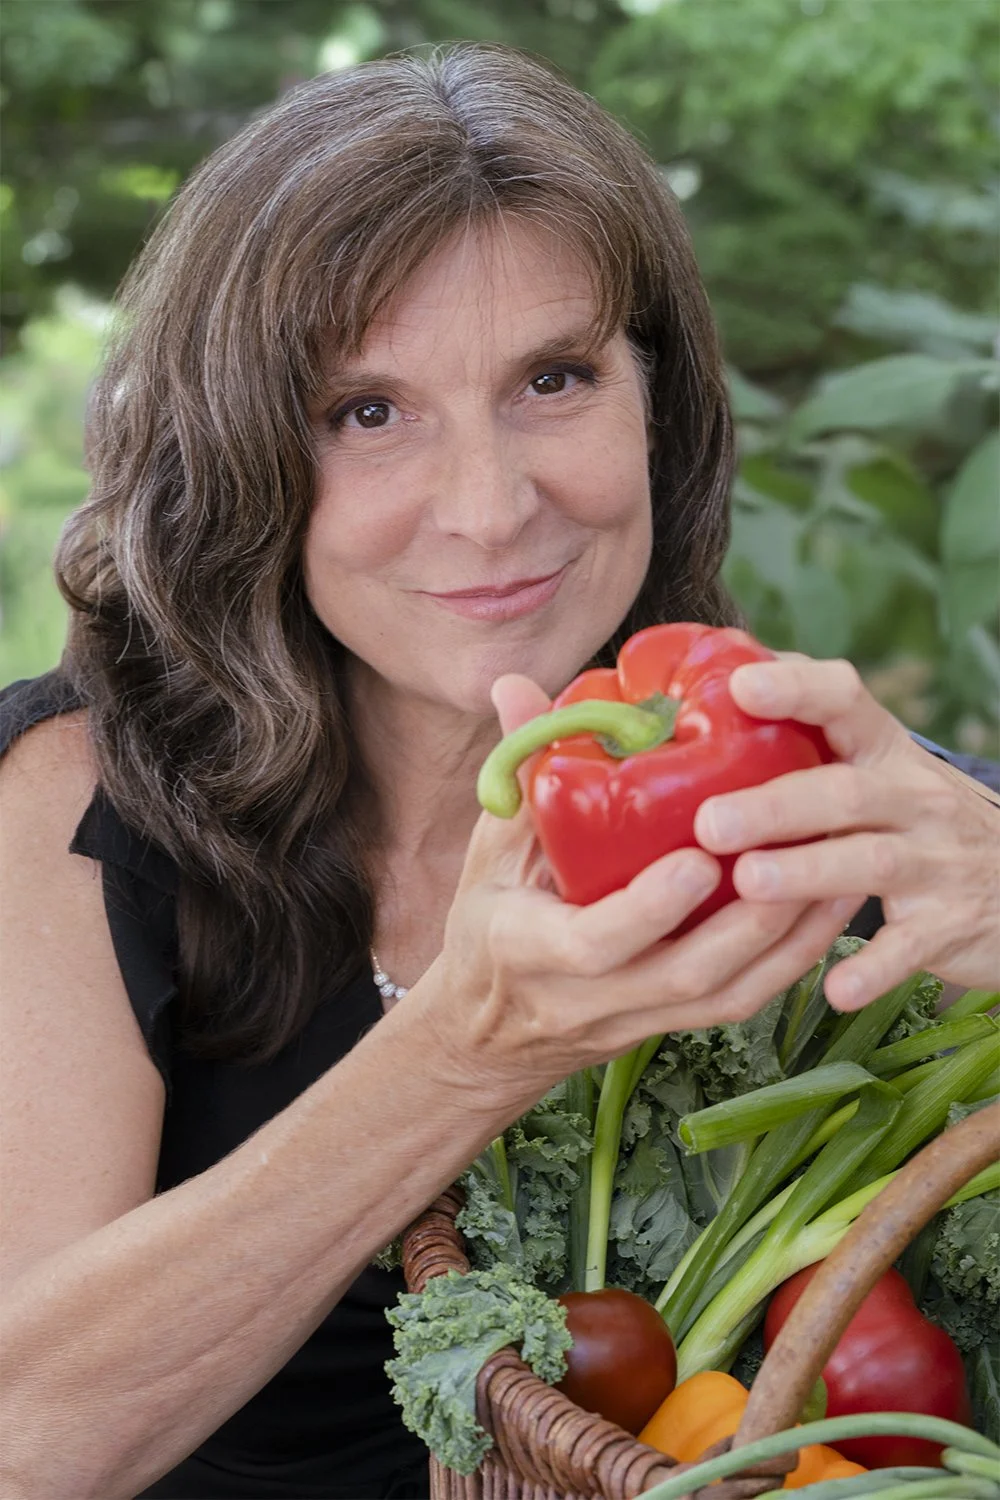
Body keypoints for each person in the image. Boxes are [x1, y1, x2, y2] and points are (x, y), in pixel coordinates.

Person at [1, 42, 997, 1500]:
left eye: (554, 378)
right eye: (368, 411)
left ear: (658, 403)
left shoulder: (830, 805)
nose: (488, 508)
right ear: (236, 453)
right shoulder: (81, 798)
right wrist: (468, 1051)